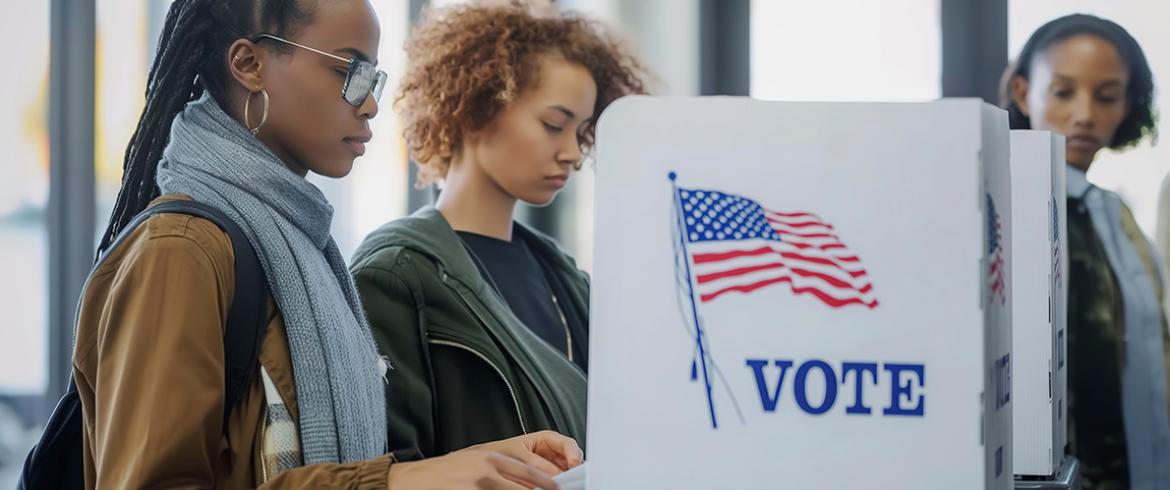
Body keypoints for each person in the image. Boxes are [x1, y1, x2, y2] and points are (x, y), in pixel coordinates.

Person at [76, 0, 581, 487]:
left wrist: (470, 464)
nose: (369, 103)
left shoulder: (304, 247)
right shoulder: (181, 251)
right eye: (348, 72)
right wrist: (400, 482)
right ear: (249, 64)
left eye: (374, 78)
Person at [350, 1, 646, 460]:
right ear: (475, 107)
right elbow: (388, 467)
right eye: (553, 125)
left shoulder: (566, 280)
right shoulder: (396, 275)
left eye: (582, 132)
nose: (571, 152)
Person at [1003, 13, 1169, 489]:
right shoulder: (1006, 209)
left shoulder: (1113, 216)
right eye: (1062, 92)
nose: (1084, 114)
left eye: (1107, 96)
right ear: (1022, 93)